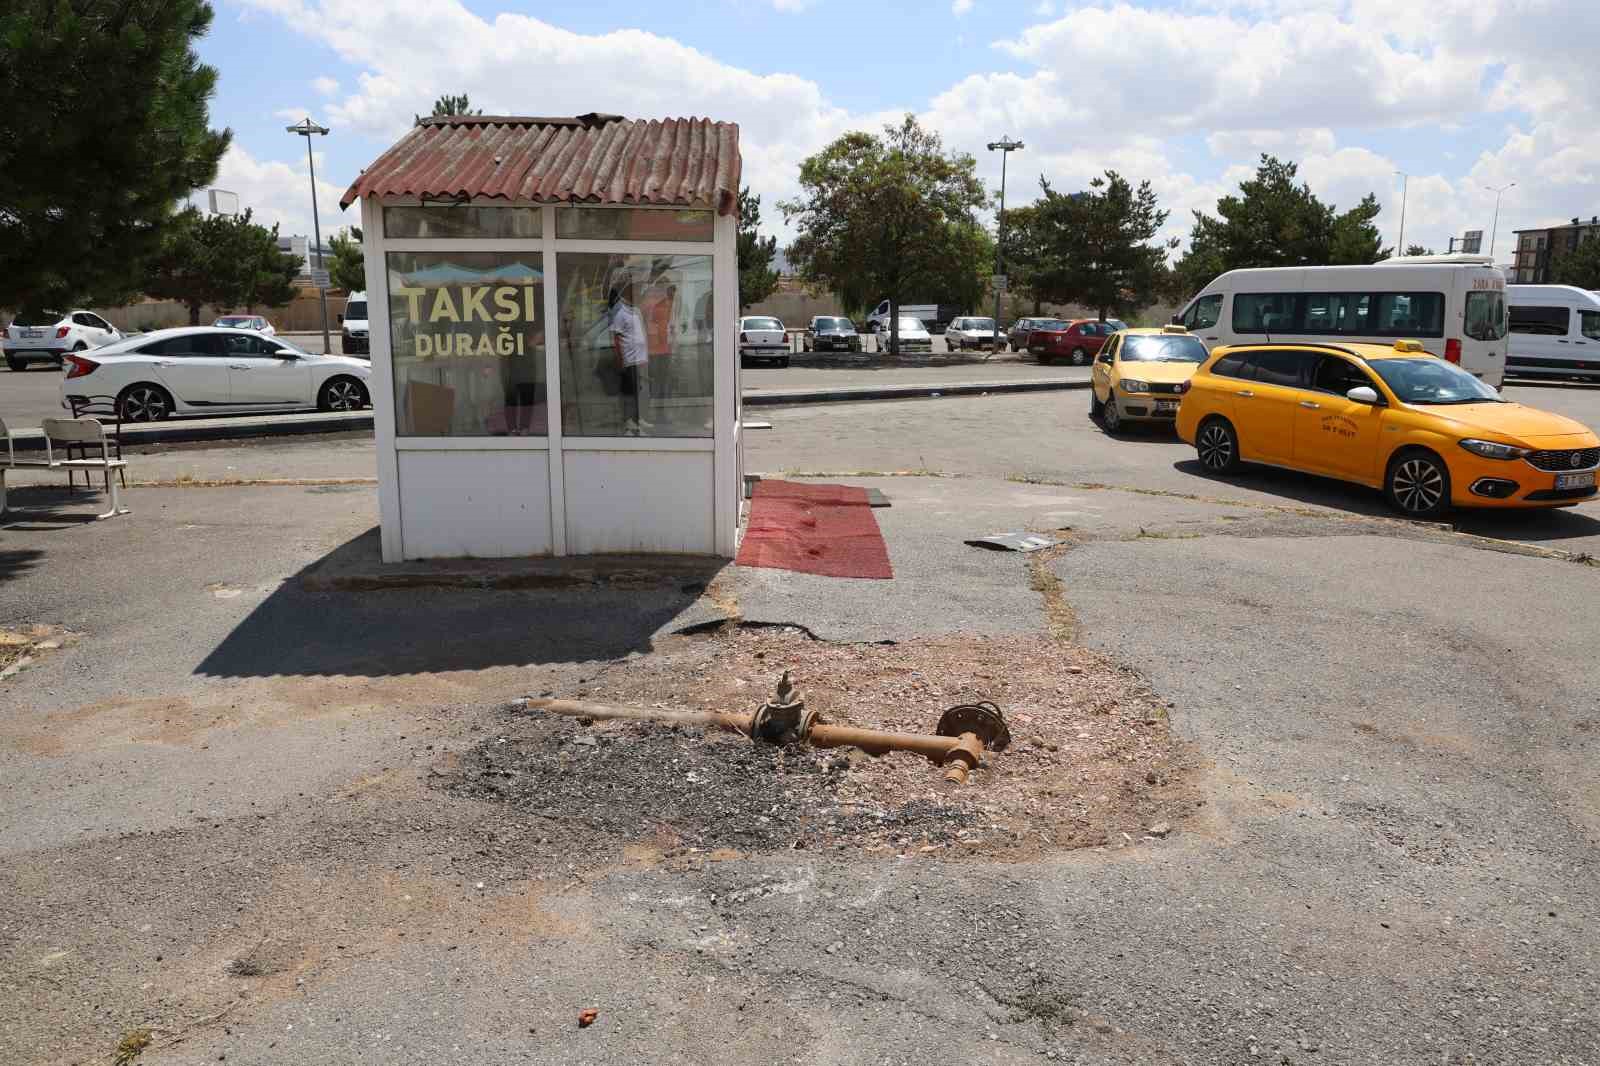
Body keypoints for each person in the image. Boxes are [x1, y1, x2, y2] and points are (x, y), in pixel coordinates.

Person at [610, 279, 651, 434]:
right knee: (630, 391)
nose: (639, 294)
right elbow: (616, 338)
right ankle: (628, 422)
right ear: (628, 292)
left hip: (641, 358)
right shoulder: (620, 312)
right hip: (629, 359)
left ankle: (637, 419)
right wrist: (621, 360)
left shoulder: (636, 310)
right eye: (636, 291)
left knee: (640, 390)